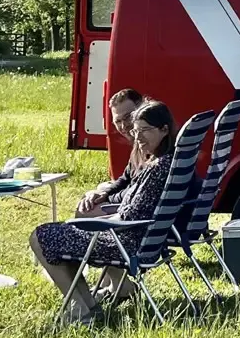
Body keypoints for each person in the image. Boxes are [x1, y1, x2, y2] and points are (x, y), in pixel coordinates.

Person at [32, 99, 176, 323]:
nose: (138, 138)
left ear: (164, 129)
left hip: (125, 244)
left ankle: (81, 309)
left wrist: (86, 224)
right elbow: (133, 205)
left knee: (41, 237)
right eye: (136, 132)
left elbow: (131, 217)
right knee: (58, 235)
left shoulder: (156, 169)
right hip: (138, 240)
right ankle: (88, 307)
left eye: (145, 131)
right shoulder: (165, 162)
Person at [73, 87, 144, 217]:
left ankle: (85, 235)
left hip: (137, 215)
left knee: (84, 209)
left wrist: (106, 198)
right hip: (134, 204)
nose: (123, 126)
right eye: (117, 121)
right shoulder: (138, 145)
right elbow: (125, 178)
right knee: (95, 192)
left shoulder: (150, 146)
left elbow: (135, 190)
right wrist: (104, 193)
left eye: (128, 117)